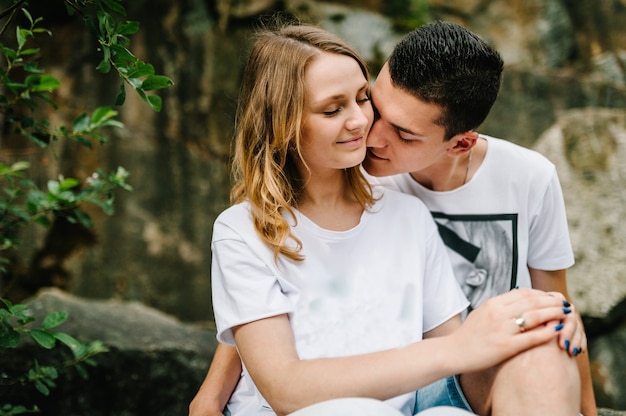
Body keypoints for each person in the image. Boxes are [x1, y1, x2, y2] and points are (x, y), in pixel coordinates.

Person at [197, 23, 581, 416]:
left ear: (459, 142)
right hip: (306, 408)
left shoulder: (406, 209)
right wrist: (210, 395)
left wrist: (544, 321)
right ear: (282, 122)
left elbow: (459, 349)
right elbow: (282, 383)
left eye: (363, 100)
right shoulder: (242, 229)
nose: (366, 125)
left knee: (543, 344)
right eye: (334, 108)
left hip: (414, 399)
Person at [361, 21, 596, 415]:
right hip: (375, 379)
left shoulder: (529, 177)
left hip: (478, 380)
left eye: (404, 134)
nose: (372, 138)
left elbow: (557, 304)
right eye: (374, 107)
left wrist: (588, 409)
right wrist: (215, 397)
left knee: (542, 331)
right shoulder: (346, 166)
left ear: (460, 143)